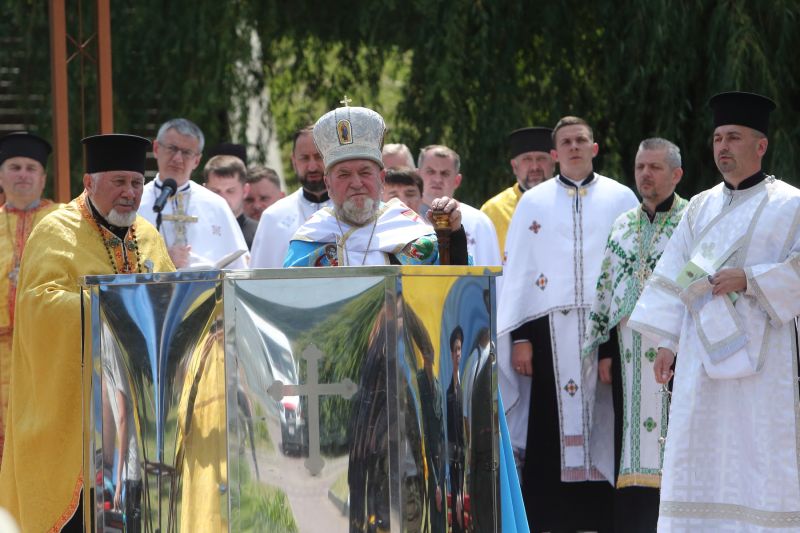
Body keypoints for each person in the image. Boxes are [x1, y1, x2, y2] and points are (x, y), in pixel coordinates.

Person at [629, 91, 800, 531]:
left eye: (734, 137)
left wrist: (750, 278)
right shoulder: (700, 206)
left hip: (764, 363)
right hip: (700, 357)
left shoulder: (791, 204)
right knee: (696, 446)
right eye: (718, 138)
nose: (723, 146)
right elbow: (675, 276)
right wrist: (667, 343)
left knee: (759, 449)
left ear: (760, 145)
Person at [0, 133, 174, 532]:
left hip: (135, 405)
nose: (130, 192)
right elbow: (38, 303)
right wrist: (109, 303)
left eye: (136, 182)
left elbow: (166, 294)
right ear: (89, 182)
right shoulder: (57, 230)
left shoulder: (147, 234)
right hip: (73, 403)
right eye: (119, 182)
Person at [497, 116, 638, 532]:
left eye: (581, 140)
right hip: (546, 334)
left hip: (606, 332)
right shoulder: (534, 203)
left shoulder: (621, 199)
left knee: (607, 420)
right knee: (548, 427)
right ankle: (548, 520)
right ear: (554, 154)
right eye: (566, 142)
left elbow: (629, 278)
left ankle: (606, 517)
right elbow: (521, 276)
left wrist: (611, 348)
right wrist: (520, 339)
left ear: (594, 148)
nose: (574, 147)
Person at [582, 138, 687, 532]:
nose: (646, 174)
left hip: (676, 347)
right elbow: (607, 290)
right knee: (628, 439)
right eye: (641, 167)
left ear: (676, 174)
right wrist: (605, 352)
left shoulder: (692, 220)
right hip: (627, 353)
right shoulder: (623, 224)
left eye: (655, 167)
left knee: (676, 437)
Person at [0, 132, 61, 456]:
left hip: (47, 349)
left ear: (43, 178)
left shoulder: (65, 221)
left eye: (30, 168)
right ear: (1, 176)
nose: (23, 174)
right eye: (15, 167)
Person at [139, 118, 248, 269]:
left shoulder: (216, 204)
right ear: (156, 149)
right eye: (172, 148)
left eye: (187, 153)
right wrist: (162, 260)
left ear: (197, 160)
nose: (177, 158)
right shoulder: (137, 202)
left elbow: (239, 267)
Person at [250, 125, 333, 268]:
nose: (312, 166)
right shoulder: (273, 216)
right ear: (294, 161)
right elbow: (259, 275)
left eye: (319, 157)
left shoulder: (351, 211)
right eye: (304, 158)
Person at [418, 145, 501, 266]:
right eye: (430, 172)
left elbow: (490, 273)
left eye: (445, 173)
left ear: (457, 180)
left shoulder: (478, 222)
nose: (437, 179)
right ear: (417, 176)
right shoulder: (403, 219)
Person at [480, 127, 555, 256]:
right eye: (527, 159)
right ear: (515, 166)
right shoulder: (493, 210)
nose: (535, 167)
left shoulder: (568, 203)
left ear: (553, 163)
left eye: (541, 158)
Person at [203, 154, 259, 249]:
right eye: (215, 191)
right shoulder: (193, 231)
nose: (222, 198)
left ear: (245, 191)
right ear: (204, 191)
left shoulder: (259, 235)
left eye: (230, 191)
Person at [446, 327, 466, 533]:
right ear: (451, 353)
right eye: (455, 349)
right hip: (454, 458)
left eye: (460, 348)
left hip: (467, 456)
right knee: (457, 511)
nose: (458, 353)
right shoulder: (449, 390)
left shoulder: (465, 381)